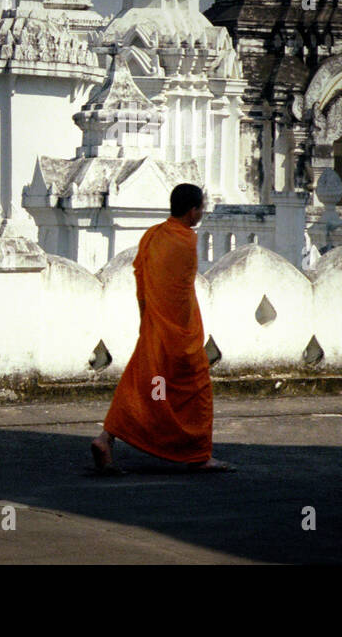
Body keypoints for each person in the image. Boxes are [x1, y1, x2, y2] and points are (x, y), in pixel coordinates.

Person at [90, 183, 234, 474]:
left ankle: (105, 439)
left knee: (142, 387)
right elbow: (181, 296)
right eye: (201, 208)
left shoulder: (152, 236)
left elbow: (142, 282)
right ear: (192, 211)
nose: (201, 213)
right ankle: (199, 455)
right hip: (179, 334)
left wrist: (147, 322)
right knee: (197, 391)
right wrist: (186, 339)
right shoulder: (186, 242)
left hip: (153, 328)